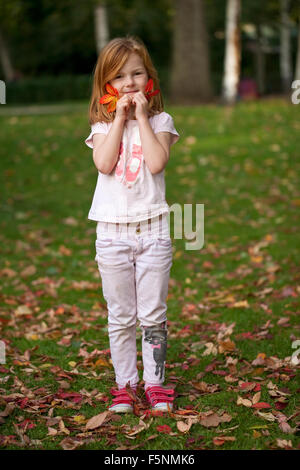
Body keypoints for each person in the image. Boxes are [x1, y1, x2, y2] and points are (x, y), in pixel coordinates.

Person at [85, 36, 180, 413]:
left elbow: (156, 162)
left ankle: (154, 384)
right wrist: (121, 117)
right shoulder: (102, 125)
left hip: (153, 232)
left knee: (153, 314)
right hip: (112, 234)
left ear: (149, 78)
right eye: (119, 76)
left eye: (136, 73)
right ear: (106, 84)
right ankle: (126, 384)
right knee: (121, 315)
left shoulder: (160, 121)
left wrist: (140, 117)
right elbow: (104, 164)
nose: (129, 82)